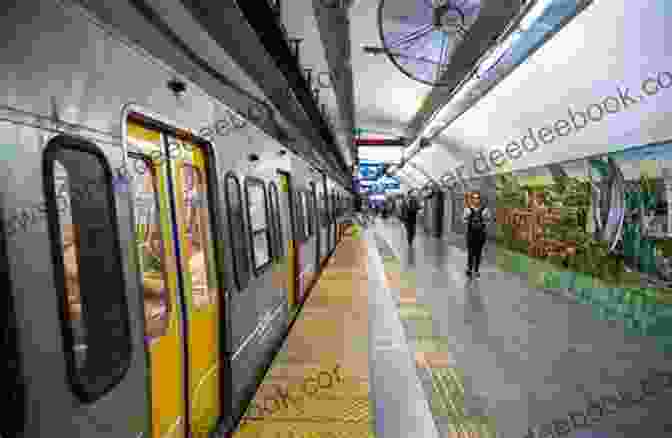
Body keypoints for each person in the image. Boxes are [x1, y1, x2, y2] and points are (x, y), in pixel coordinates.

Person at [463, 191, 492, 278]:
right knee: (471, 252)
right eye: (474, 198)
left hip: (480, 234)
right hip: (471, 233)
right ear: (472, 199)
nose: (476, 200)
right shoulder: (467, 209)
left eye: (478, 198)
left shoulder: (485, 210)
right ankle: (469, 268)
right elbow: (463, 220)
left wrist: (483, 224)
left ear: (480, 199)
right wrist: (469, 221)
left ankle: (476, 270)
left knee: (478, 253)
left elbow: (489, 220)